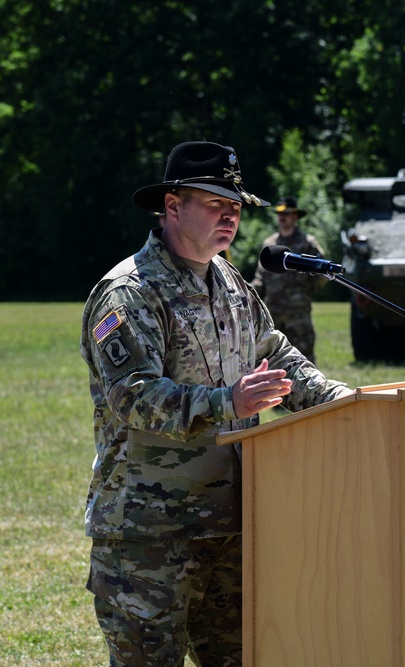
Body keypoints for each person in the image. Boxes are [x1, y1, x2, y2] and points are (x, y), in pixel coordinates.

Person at [79, 141, 352, 666]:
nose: (230, 217)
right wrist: (227, 401)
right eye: (215, 204)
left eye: (235, 207)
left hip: (231, 524)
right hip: (149, 537)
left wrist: (343, 402)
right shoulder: (128, 293)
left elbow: (276, 355)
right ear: (173, 206)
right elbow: (133, 398)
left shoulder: (230, 282)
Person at [252, 196, 328, 363]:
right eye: (279, 213)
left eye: (287, 213)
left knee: (304, 357)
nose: (282, 217)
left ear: (296, 216)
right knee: (272, 359)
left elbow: (322, 273)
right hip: (273, 311)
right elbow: (260, 276)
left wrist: (306, 291)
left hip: (297, 311)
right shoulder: (270, 244)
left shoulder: (307, 243)